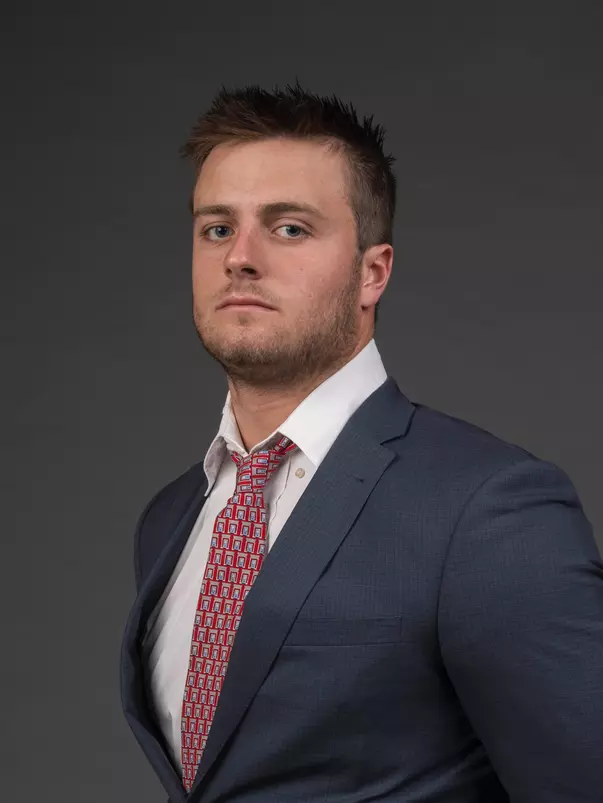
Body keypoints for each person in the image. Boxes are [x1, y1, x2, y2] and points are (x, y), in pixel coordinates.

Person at [120, 81, 603, 803]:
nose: (239, 258)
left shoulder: (484, 510)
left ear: (372, 272)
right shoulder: (170, 517)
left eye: (288, 228)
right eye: (217, 228)